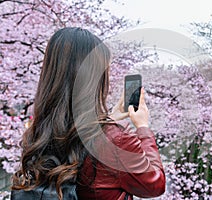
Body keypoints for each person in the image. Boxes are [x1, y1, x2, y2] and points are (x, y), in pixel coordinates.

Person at [12, 27, 166, 200]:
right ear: (95, 78)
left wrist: (110, 120)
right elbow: (155, 185)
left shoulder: (38, 132)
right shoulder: (115, 139)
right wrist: (143, 127)